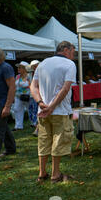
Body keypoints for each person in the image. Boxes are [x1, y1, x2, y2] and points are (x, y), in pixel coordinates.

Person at [30, 41, 77, 183]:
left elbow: (33, 85)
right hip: (59, 111)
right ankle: (55, 175)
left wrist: (40, 103)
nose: (73, 56)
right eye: (73, 52)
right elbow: (65, 88)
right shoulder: (69, 64)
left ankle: (42, 173)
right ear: (66, 50)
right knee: (58, 141)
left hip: (42, 111)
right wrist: (52, 106)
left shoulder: (43, 63)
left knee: (44, 141)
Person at [12, 61, 31, 131]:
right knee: (17, 109)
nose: (18, 69)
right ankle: (18, 126)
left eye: (20, 67)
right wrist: (13, 96)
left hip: (28, 96)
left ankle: (34, 123)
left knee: (30, 109)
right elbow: (14, 86)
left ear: (25, 68)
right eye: (18, 67)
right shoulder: (17, 77)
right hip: (18, 96)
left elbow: (32, 85)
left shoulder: (29, 76)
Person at [28, 60, 40, 136]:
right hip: (33, 95)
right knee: (34, 111)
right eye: (33, 66)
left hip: (40, 95)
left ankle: (37, 129)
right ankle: (37, 128)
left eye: (36, 66)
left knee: (38, 112)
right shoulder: (31, 74)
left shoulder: (41, 73)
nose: (35, 68)